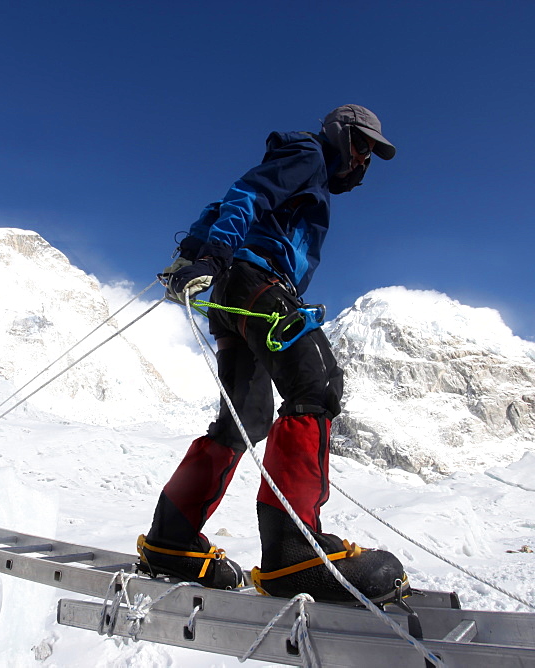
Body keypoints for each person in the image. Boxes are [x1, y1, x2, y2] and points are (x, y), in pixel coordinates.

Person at [136, 104, 409, 604]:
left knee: (246, 417)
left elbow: (223, 202)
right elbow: (249, 195)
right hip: (258, 281)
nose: (365, 160)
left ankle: (171, 541)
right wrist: (215, 255)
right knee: (317, 384)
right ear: (339, 135)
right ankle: (294, 552)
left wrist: (196, 253)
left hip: (232, 291)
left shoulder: (305, 166)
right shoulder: (308, 154)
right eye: (362, 145)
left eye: (372, 152)